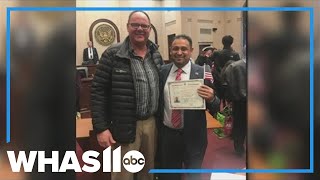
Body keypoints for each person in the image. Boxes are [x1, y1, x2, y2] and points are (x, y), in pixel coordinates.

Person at [90, 11, 163, 180]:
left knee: (148, 172)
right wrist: (101, 128)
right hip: (124, 126)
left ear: (150, 29)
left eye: (144, 26)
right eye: (135, 25)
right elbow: (98, 91)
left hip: (152, 124)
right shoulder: (112, 54)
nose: (140, 29)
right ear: (127, 27)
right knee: (123, 175)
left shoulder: (155, 53)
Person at [158, 34, 220, 180]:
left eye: (184, 49)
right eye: (175, 49)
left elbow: (216, 106)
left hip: (194, 137)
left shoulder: (203, 72)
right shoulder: (162, 72)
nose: (179, 52)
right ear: (170, 50)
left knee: (194, 175)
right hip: (168, 136)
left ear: (191, 50)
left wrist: (212, 98)